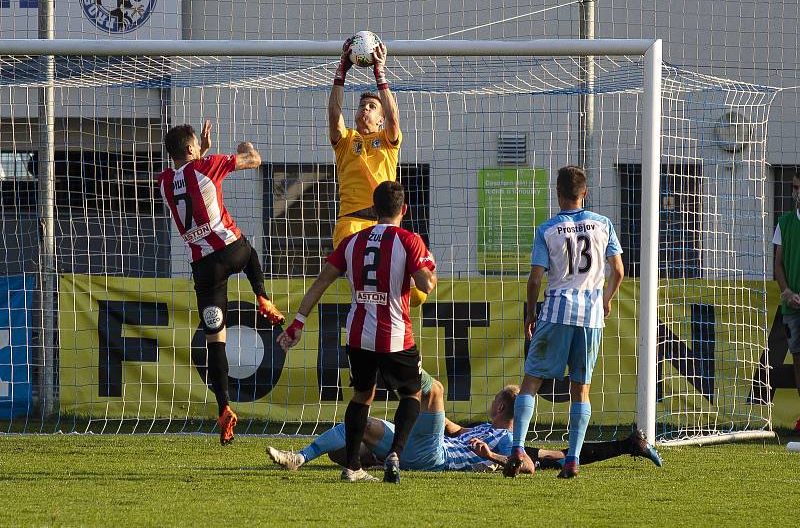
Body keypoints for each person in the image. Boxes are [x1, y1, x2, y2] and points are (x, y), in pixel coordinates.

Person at [277, 181, 437, 483]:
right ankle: (395, 453)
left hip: (357, 334)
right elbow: (425, 284)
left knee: (362, 396)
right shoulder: (409, 240)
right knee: (412, 394)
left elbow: (322, 280)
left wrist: (297, 322)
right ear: (404, 210)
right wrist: (431, 271)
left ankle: (352, 467)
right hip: (395, 334)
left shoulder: (352, 241)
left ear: (373, 210)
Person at [158, 121, 285, 446]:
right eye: (196, 148)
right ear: (191, 150)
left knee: (215, 339)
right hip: (231, 251)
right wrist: (246, 148)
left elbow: (190, 174)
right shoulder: (209, 166)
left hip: (205, 270)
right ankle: (263, 297)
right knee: (250, 251)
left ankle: (224, 407)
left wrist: (202, 149)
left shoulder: (164, 182)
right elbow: (252, 161)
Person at [267, 374, 662, 474]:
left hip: (433, 457)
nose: (489, 404)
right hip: (426, 446)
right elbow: (451, 429)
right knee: (359, 430)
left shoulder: (508, 440)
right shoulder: (476, 429)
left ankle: (403, 365)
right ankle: (300, 457)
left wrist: (491, 455)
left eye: (494, 401)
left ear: (503, 408)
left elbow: (538, 461)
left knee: (433, 389)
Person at [504, 165, 625, 479]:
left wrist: (532, 312)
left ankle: (517, 448)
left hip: (557, 311)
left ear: (557, 194)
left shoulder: (547, 229)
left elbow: (534, 281)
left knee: (531, 381)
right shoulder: (604, 224)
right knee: (580, 390)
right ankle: (572, 459)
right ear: (584, 193)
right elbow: (619, 271)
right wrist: (607, 300)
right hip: (591, 317)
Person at [328, 37, 427, 307]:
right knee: (368, 287)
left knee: (417, 294)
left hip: (385, 223)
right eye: (362, 106)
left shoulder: (388, 140)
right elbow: (334, 115)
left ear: (380, 119)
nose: (365, 109)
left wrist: (379, 73)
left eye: (372, 107)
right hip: (351, 224)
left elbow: (394, 118)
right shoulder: (346, 140)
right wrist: (341, 73)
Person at [773, 169, 800, 432]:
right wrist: (787, 291)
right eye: (793, 187)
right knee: (798, 359)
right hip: (791, 305)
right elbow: (778, 263)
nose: (795, 193)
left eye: (798, 187)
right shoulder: (785, 222)